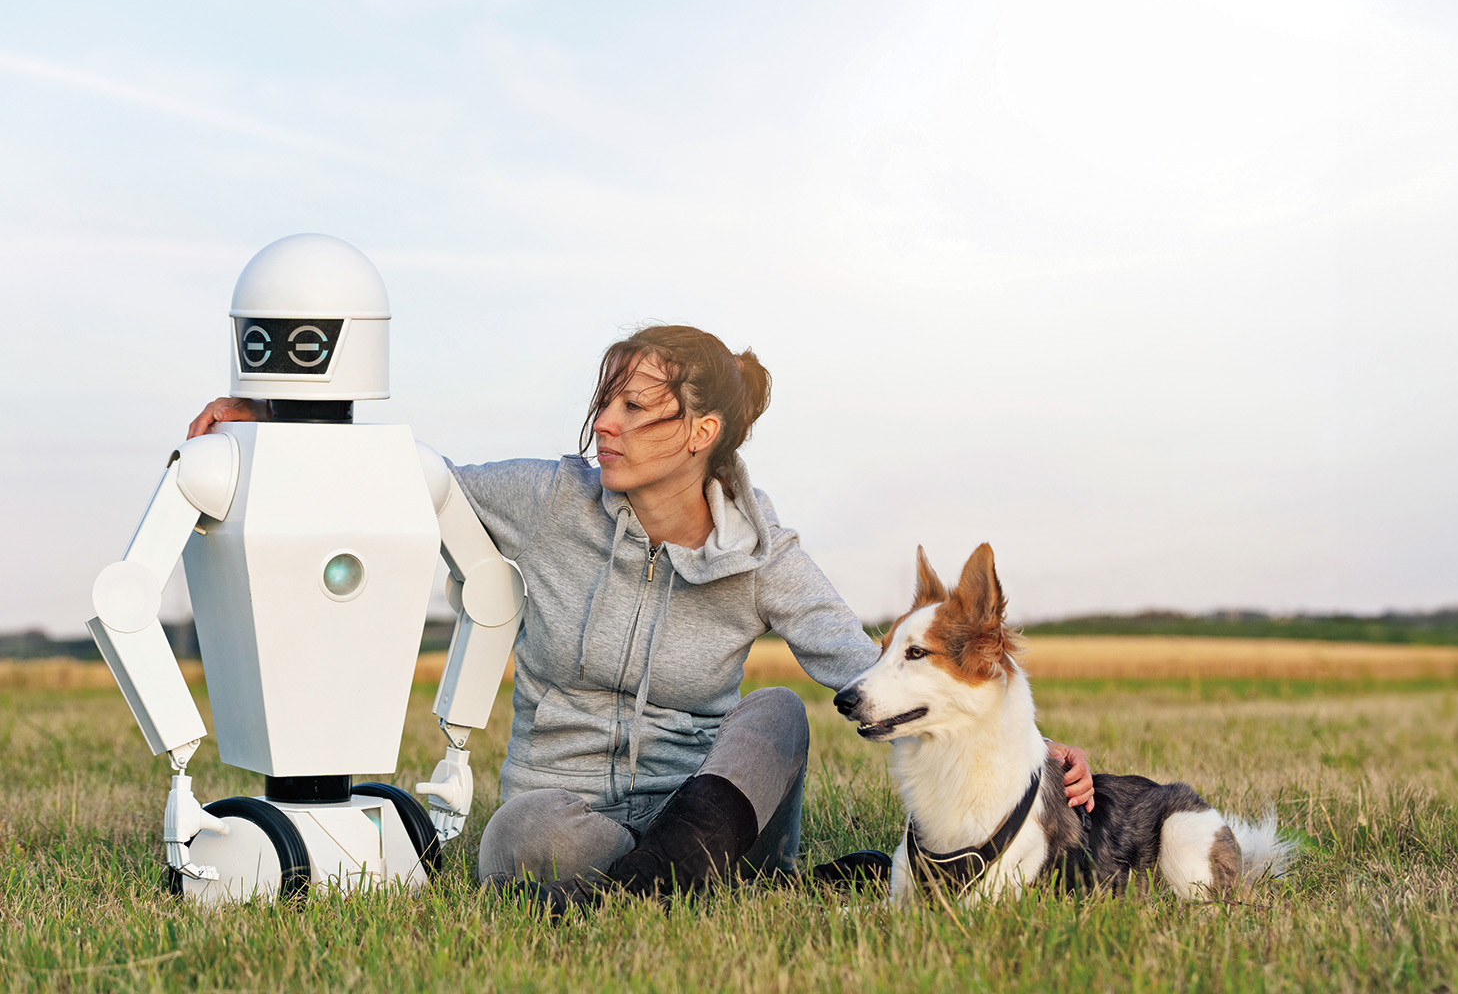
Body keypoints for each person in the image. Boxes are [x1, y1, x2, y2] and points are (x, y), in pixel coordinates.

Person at [189, 323, 1094, 913]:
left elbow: (875, 675)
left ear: (700, 433)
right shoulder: (550, 501)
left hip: (714, 804)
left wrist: (1035, 753)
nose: (606, 426)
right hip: (571, 808)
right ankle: (674, 887)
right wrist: (276, 423)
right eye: (605, 403)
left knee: (775, 712)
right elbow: (401, 481)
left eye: (634, 406)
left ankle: (659, 882)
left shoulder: (763, 552)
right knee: (519, 837)